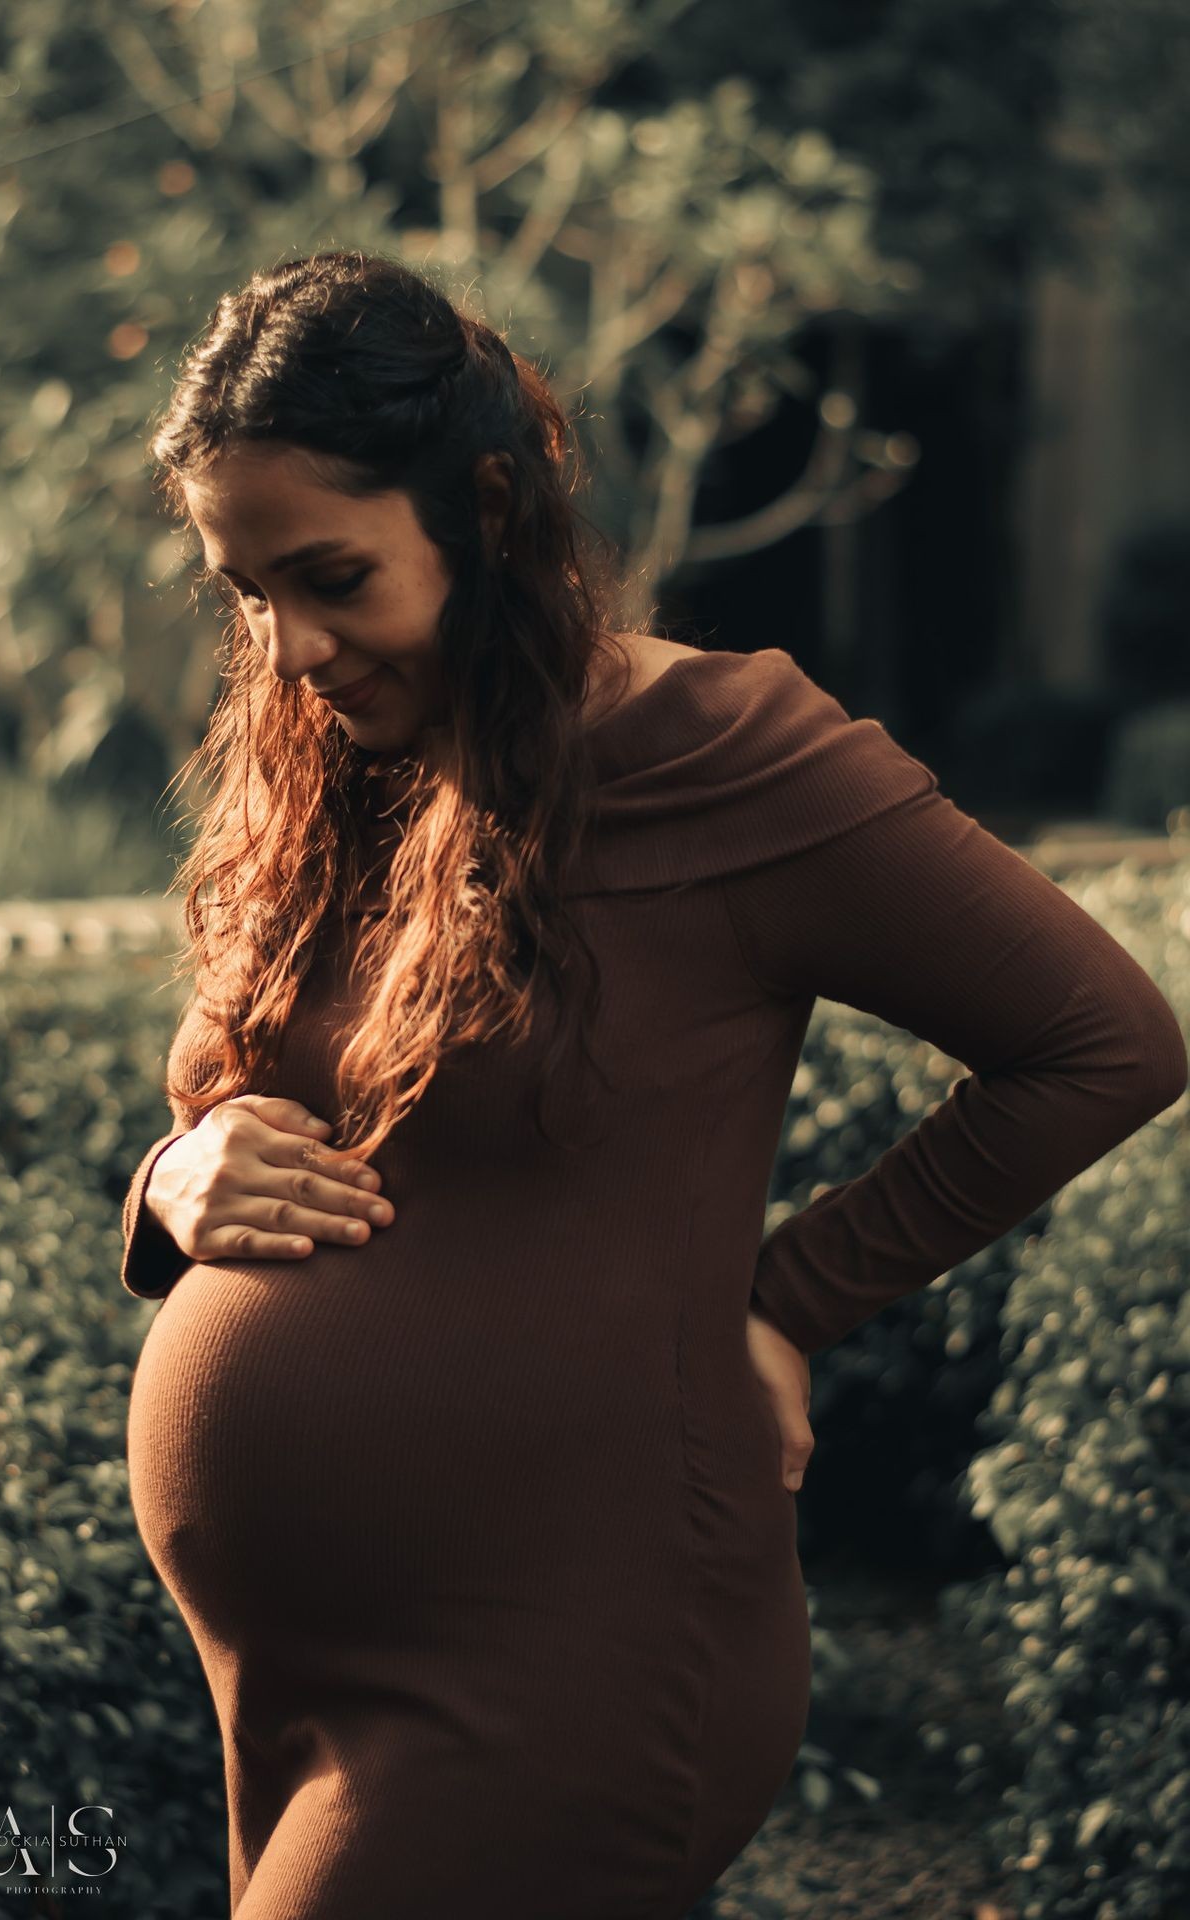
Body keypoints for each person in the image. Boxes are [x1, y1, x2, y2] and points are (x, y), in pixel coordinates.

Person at [119, 249, 1187, 1920]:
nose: (291, 647)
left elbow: (1105, 1042)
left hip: (565, 1650)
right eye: (245, 590)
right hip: (301, 1678)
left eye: (331, 576)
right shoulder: (333, 765)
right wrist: (177, 1177)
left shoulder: (730, 755)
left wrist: (786, 1301)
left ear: (483, 514)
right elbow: (240, 1089)